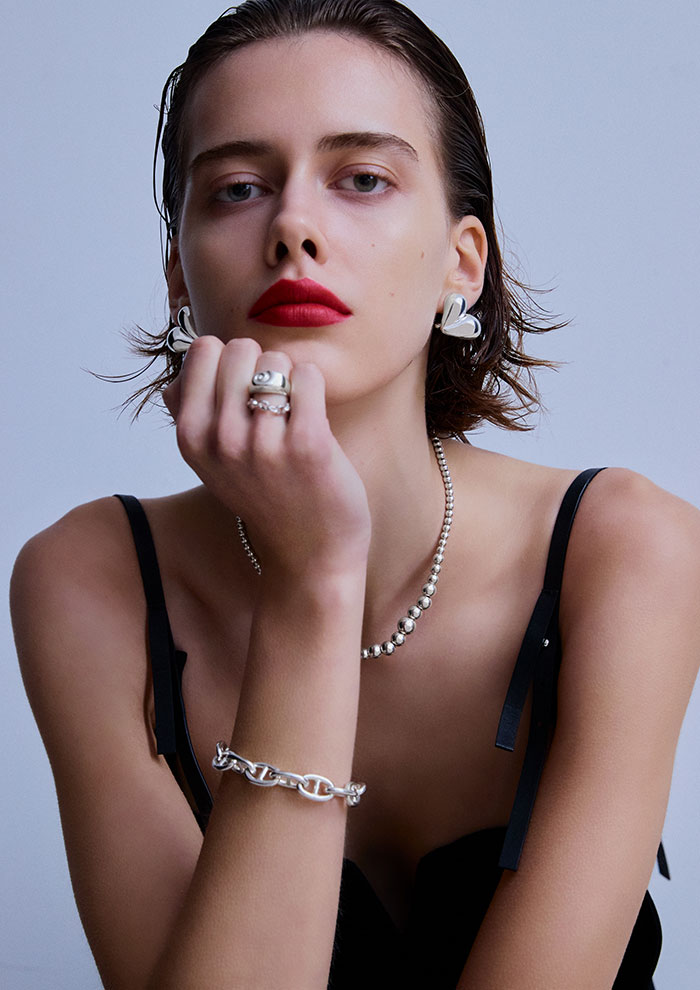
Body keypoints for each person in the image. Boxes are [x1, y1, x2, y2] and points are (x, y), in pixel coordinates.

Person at [10, 0, 700, 987]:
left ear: (462, 262)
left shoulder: (628, 555)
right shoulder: (89, 583)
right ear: (178, 277)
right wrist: (312, 585)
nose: (293, 226)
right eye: (238, 189)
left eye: (363, 179)